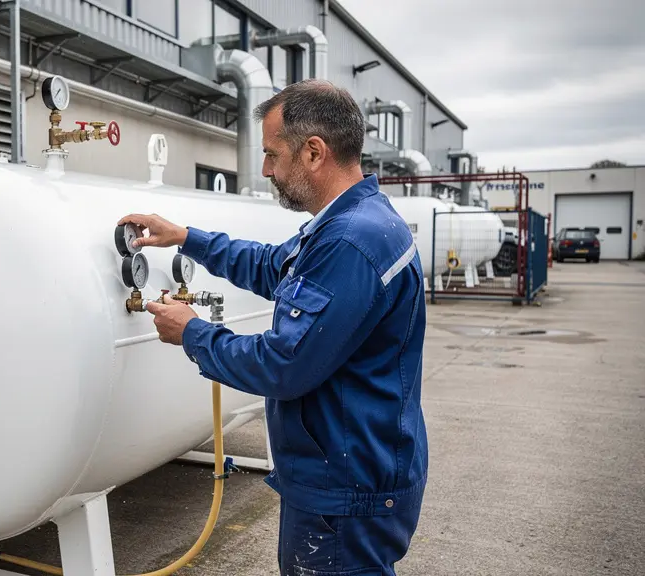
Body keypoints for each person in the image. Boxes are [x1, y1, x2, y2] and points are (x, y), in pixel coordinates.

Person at [117, 79, 428, 576]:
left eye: (271, 154)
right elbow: (270, 266)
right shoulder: (352, 222)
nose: (264, 169)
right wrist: (186, 237)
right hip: (349, 471)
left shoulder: (351, 242)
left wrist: (193, 333)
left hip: (344, 492)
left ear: (313, 152)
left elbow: (284, 365)